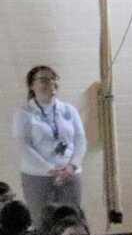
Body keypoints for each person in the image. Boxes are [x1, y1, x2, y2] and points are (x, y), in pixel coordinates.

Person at [12, 67, 87, 221]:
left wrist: (72, 166)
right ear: (31, 86)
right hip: (38, 176)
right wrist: (52, 169)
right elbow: (23, 146)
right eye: (44, 79)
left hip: (70, 174)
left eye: (54, 78)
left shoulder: (69, 110)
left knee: (72, 219)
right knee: (43, 220)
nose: (51, 82)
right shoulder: (24, 113)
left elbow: (80, 140)